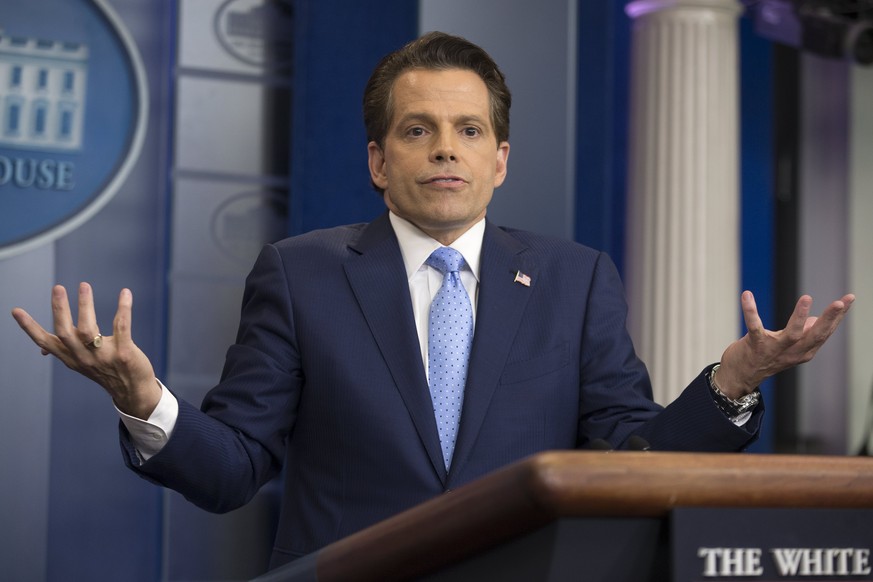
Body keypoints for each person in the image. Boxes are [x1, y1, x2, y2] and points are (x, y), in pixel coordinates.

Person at [10, 32, 854, 569]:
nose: (445, 150)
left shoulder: (574, 278)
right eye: (418, 130)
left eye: (469, 131)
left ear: (500, 159)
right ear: (379, 161)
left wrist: (730, 382)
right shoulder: (299, 273)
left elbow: (626, 455)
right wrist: (143, 400)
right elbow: (234, 471)